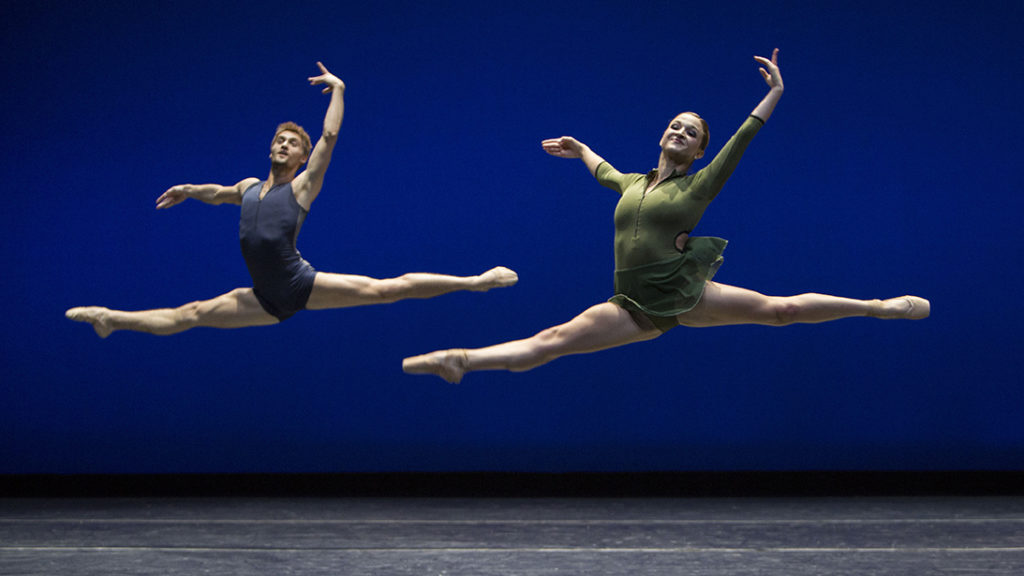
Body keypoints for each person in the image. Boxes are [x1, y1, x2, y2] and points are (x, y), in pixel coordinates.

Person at [403, 49, 928, 384]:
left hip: (682, 291)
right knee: (552, 342)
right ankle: (462, 359)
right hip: (635, 306)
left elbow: (742, 140)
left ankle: (878, 307)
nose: (680, 132)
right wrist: (581, 148)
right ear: (661, 135)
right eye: (674, 126)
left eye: (691, 132)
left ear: (700, 151)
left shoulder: (698, 186)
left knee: (780, 311)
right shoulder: (632, 183)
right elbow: (603, 170)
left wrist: (774, 93)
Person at [66, 62, 517, 338]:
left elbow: (331, 134)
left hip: (300, 284)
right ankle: (109, 318)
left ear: (301, 158)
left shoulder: (301, 188)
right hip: (265, 298)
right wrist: (188, 190)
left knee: (387, 289)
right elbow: (218, 194)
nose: (283, 145)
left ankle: (474, 281)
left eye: (291, 143)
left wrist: (338, 89)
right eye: (278, 140)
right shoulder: (248, 187)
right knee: (192, 314)